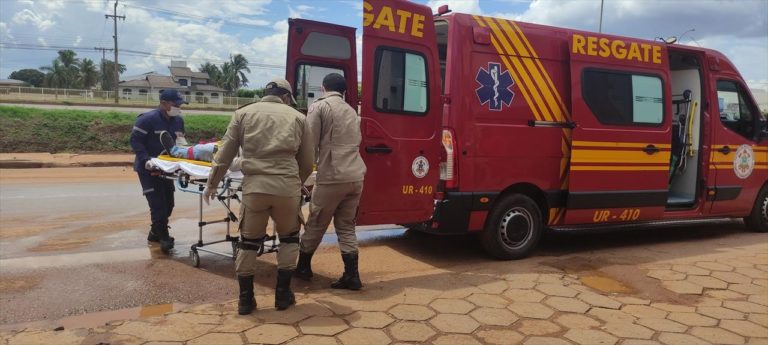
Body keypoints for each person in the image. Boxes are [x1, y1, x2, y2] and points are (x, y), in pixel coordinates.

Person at [203, 79, 313, 315]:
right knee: (290, 239)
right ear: (286, 97)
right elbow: (306, 162)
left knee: (248, 243)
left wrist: (211, 184)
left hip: (254, 190)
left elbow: (225, 154)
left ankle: (245, 300)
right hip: (286, 190)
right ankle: (283, 296)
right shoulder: (299, 118)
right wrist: (297, 183)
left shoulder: (243, 114)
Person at [295, 73, 367, 290]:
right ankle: (352, 276)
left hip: (332, 177)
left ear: (323, 88)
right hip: (355, 176)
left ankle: (303, 268)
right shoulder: (352, 111)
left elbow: (309, 145)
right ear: (344, 91)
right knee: (346, 226)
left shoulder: (320, 107)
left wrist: (300, 177)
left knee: (316, 223)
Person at [130, 89, 188, 253]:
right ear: (163, 103)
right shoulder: (147, 119)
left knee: (169, 203)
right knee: (157, 204)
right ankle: (164, 236)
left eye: (180, 105)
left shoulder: (178, 121)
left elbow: (181, 143)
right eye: (176, 104)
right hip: (148, 169)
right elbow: (135, 141)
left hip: (168, 168)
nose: (179, 107)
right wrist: (145, 160)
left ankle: (155, 232)